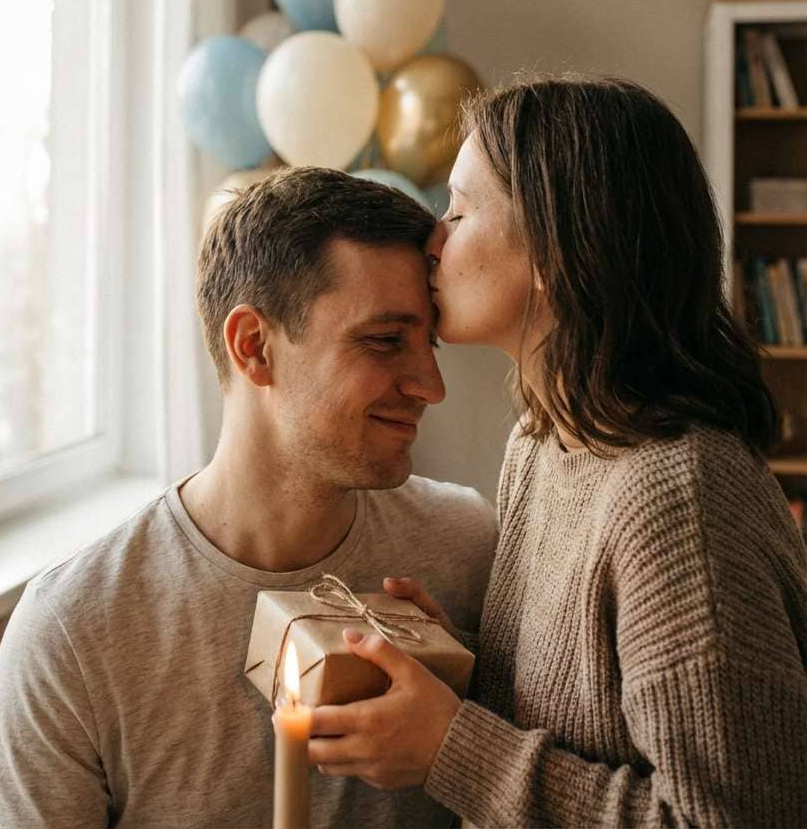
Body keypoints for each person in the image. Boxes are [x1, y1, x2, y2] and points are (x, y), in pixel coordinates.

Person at [308, 76, 807, 827]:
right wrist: (461, 668)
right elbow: (592, 714)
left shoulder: (678, 504)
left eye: (460, 211)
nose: (433, 242)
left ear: (557, 249)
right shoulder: (540, 442)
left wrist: (454, 747)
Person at [0, 167, 497, 829]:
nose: (431, 386)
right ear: (254, 349)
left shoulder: (469, 550)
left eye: (429, 343)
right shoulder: (75, 633)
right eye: (386, 341)